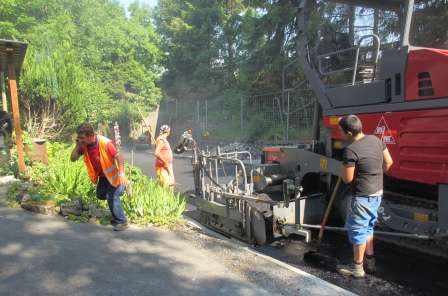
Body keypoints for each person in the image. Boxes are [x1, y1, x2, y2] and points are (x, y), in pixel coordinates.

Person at [337, 115, 393, 278]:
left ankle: (357, 269)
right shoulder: (376, 140)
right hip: (377, 192)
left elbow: (347, 179)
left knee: (358, 231)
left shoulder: (351, 150)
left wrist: (343, 169)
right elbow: (389, 162)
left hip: (362, 196)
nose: (339, 133)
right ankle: (370, 260)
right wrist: (374, 175)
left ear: (348, 132)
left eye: (340, 131)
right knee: (368, 226)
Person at [70, 123, 129, 231]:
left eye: (82, 138)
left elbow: (120, 157)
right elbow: (73, 158)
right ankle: (116, 206)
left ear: (91, 135)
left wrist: (122, 174)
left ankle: (122, 221)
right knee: (101, 195)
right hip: (102, 177)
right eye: (79, 138)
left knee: (112, 196)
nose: (81, 140)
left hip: (113, 175)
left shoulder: (105, 143)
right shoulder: (84, 145)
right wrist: (77, 145)